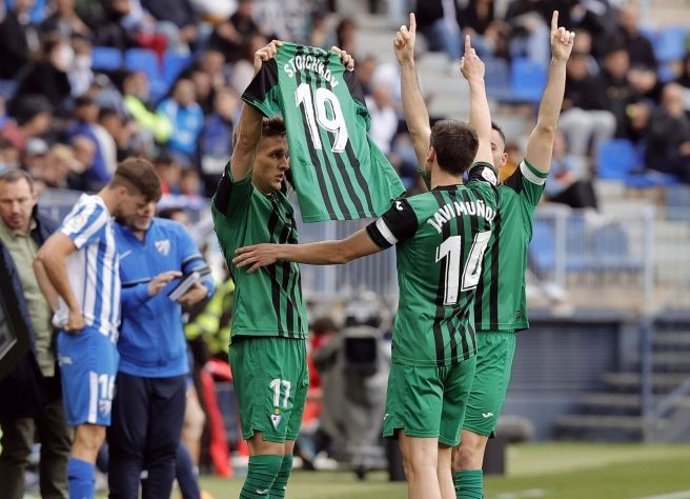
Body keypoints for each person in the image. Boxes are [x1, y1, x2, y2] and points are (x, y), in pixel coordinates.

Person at [232, 28, 498, 499]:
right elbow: (471, 134)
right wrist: (476, 83)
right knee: (442, 464)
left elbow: (341, 251)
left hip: (422, 348)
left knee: (420, 468)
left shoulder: (415, 211)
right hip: (464, 346)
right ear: (476, 159)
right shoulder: (487, 197)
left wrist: (281, 251)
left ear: (431, 155)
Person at [211, 40, 354, 499]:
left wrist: (340, 82)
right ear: (249, 158)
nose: (283, 164)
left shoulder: (281, 205)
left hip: (293, 339)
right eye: (275, 156)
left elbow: (320, 139)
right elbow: (247, 137)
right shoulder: (237, 204)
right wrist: (266, 73)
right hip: (263, 337)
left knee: (283, 466)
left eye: (286, 157)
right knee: (266, 462)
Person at [452, 12, 575, 499]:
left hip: (496, 334)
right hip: (450, 330)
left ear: (503, 159)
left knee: (469, 449)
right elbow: (422, 133)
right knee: (437, 448)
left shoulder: (519, 194)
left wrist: (559, 61)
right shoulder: (450, 197)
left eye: (493, 146)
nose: (485, 151)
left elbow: (546, 128)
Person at [34, 157, 162, 499]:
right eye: (137, 203)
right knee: (90, 437)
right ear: (122, 192)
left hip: (92, 336)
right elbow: (49, 255)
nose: (139, 212)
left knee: (90, 435)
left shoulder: (91, 212)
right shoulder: (95, 212)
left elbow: (40, 259)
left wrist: (59, 310)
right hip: (91, 337)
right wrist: (72, 309)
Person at [108, 198, 214, 498]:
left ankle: (191, 492)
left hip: (173, 365)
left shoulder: (176, 234)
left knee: (165, 451)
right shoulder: (108, 237)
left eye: (152, 203)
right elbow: (100, 299)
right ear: (123, 198)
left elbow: (207, 279)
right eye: (140, 204)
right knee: (127, 451)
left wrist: (202, 290)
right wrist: (146, 290)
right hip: (127, 364)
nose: (146, 210)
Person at [0, 169, 71, 499]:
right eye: (6, 201)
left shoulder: (49, 234)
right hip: (14, 362)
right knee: (17, 446)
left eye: (21, 200)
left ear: (34, 198)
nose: (14, 208)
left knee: (59, 443)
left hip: (54, 357)